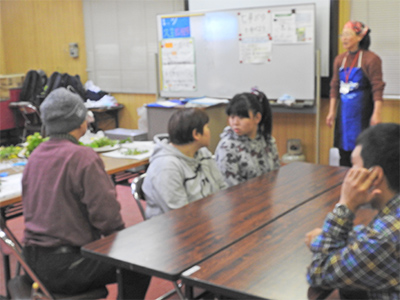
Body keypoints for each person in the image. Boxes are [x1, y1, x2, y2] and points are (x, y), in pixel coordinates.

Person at [22, 88, 151, 298]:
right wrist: (121, 241)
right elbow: (107, 216)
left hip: (30, 262)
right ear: (80, 121)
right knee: (140, 261)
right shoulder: (82, 157)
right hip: (67, 266)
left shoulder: (35, 155)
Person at [305, 123, 400, 300]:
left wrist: (345, 204)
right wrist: (326, 238)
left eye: (354, 166)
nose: (349, 175)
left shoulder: (383, 239)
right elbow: (366, 238)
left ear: (375, 176)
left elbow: (318, 273)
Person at [142, 108, 228, 219]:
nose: (209, 131)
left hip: (208, 219)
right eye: (207, 127)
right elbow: (180, 215)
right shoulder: (166, 167)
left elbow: (222, 188)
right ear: (196, 134)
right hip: (172, 230)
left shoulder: (203, 153)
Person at [326, 20, 385, 167]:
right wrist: (331, 111)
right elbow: (334, 86)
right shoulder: (339, 59)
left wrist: (376, 114)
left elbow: (377, 88)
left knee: (363, 154)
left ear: (359, 37)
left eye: (347, 35)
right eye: (342, 35)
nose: (343, 39)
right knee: (343, 155)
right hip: (344, 114)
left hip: (363, 113)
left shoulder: (371, 59)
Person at [214, 89, 280, 187]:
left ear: (257, 118)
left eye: (241, 117)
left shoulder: (267, 140)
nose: (235, 123)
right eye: (232, 117)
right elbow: (230, 188)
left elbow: (275, 173)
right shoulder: (227, 146)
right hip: (241, 200)